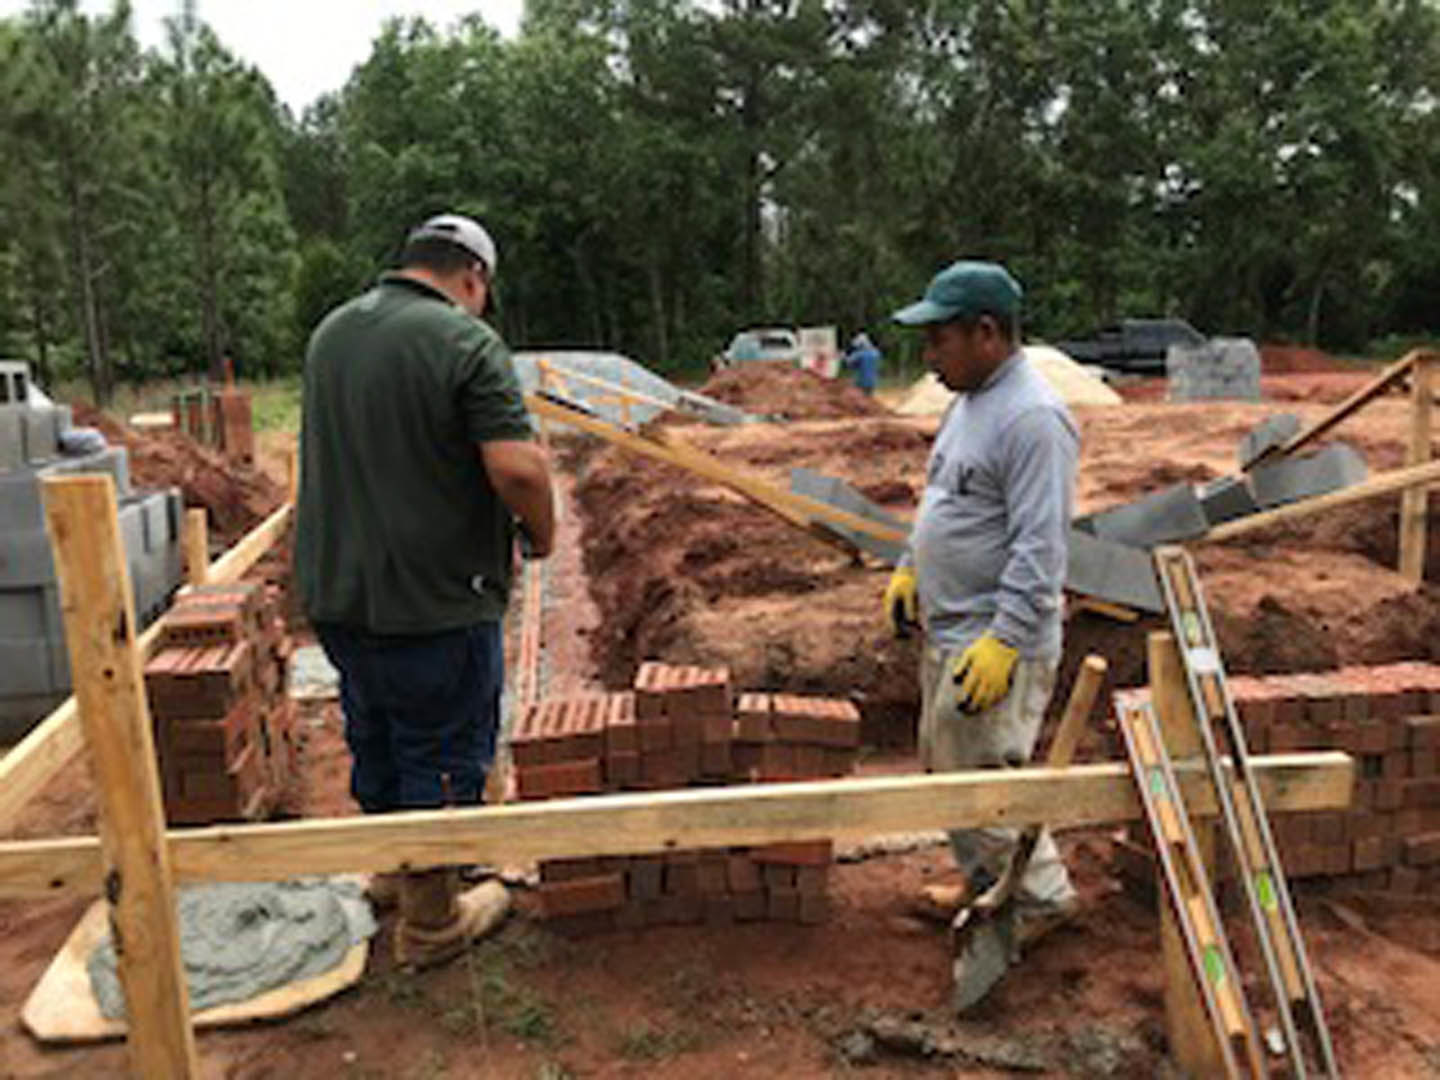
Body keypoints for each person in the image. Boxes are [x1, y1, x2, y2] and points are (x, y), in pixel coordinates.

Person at [294, 212, 556, 968]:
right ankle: (433, 921)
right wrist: (541, 534)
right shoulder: (463, 341)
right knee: (441, 748)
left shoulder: (331, 333)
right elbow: (518, 469)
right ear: (473, 280)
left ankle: (392, 869)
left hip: (342, 595)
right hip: (435, 600)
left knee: (374, 726)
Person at [884, 259, 1080, 954]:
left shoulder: (1033, 419)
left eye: (939, 339)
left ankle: (1042, 897)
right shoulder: (967, 402)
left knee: (986, 784)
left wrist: (1008, 640)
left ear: (988, 333)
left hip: (995, 642)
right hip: (951, 628)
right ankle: (983, 880)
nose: (928, 356)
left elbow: (1041, 546)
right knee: (947, 769)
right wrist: (911, 569)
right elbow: (941, 497)